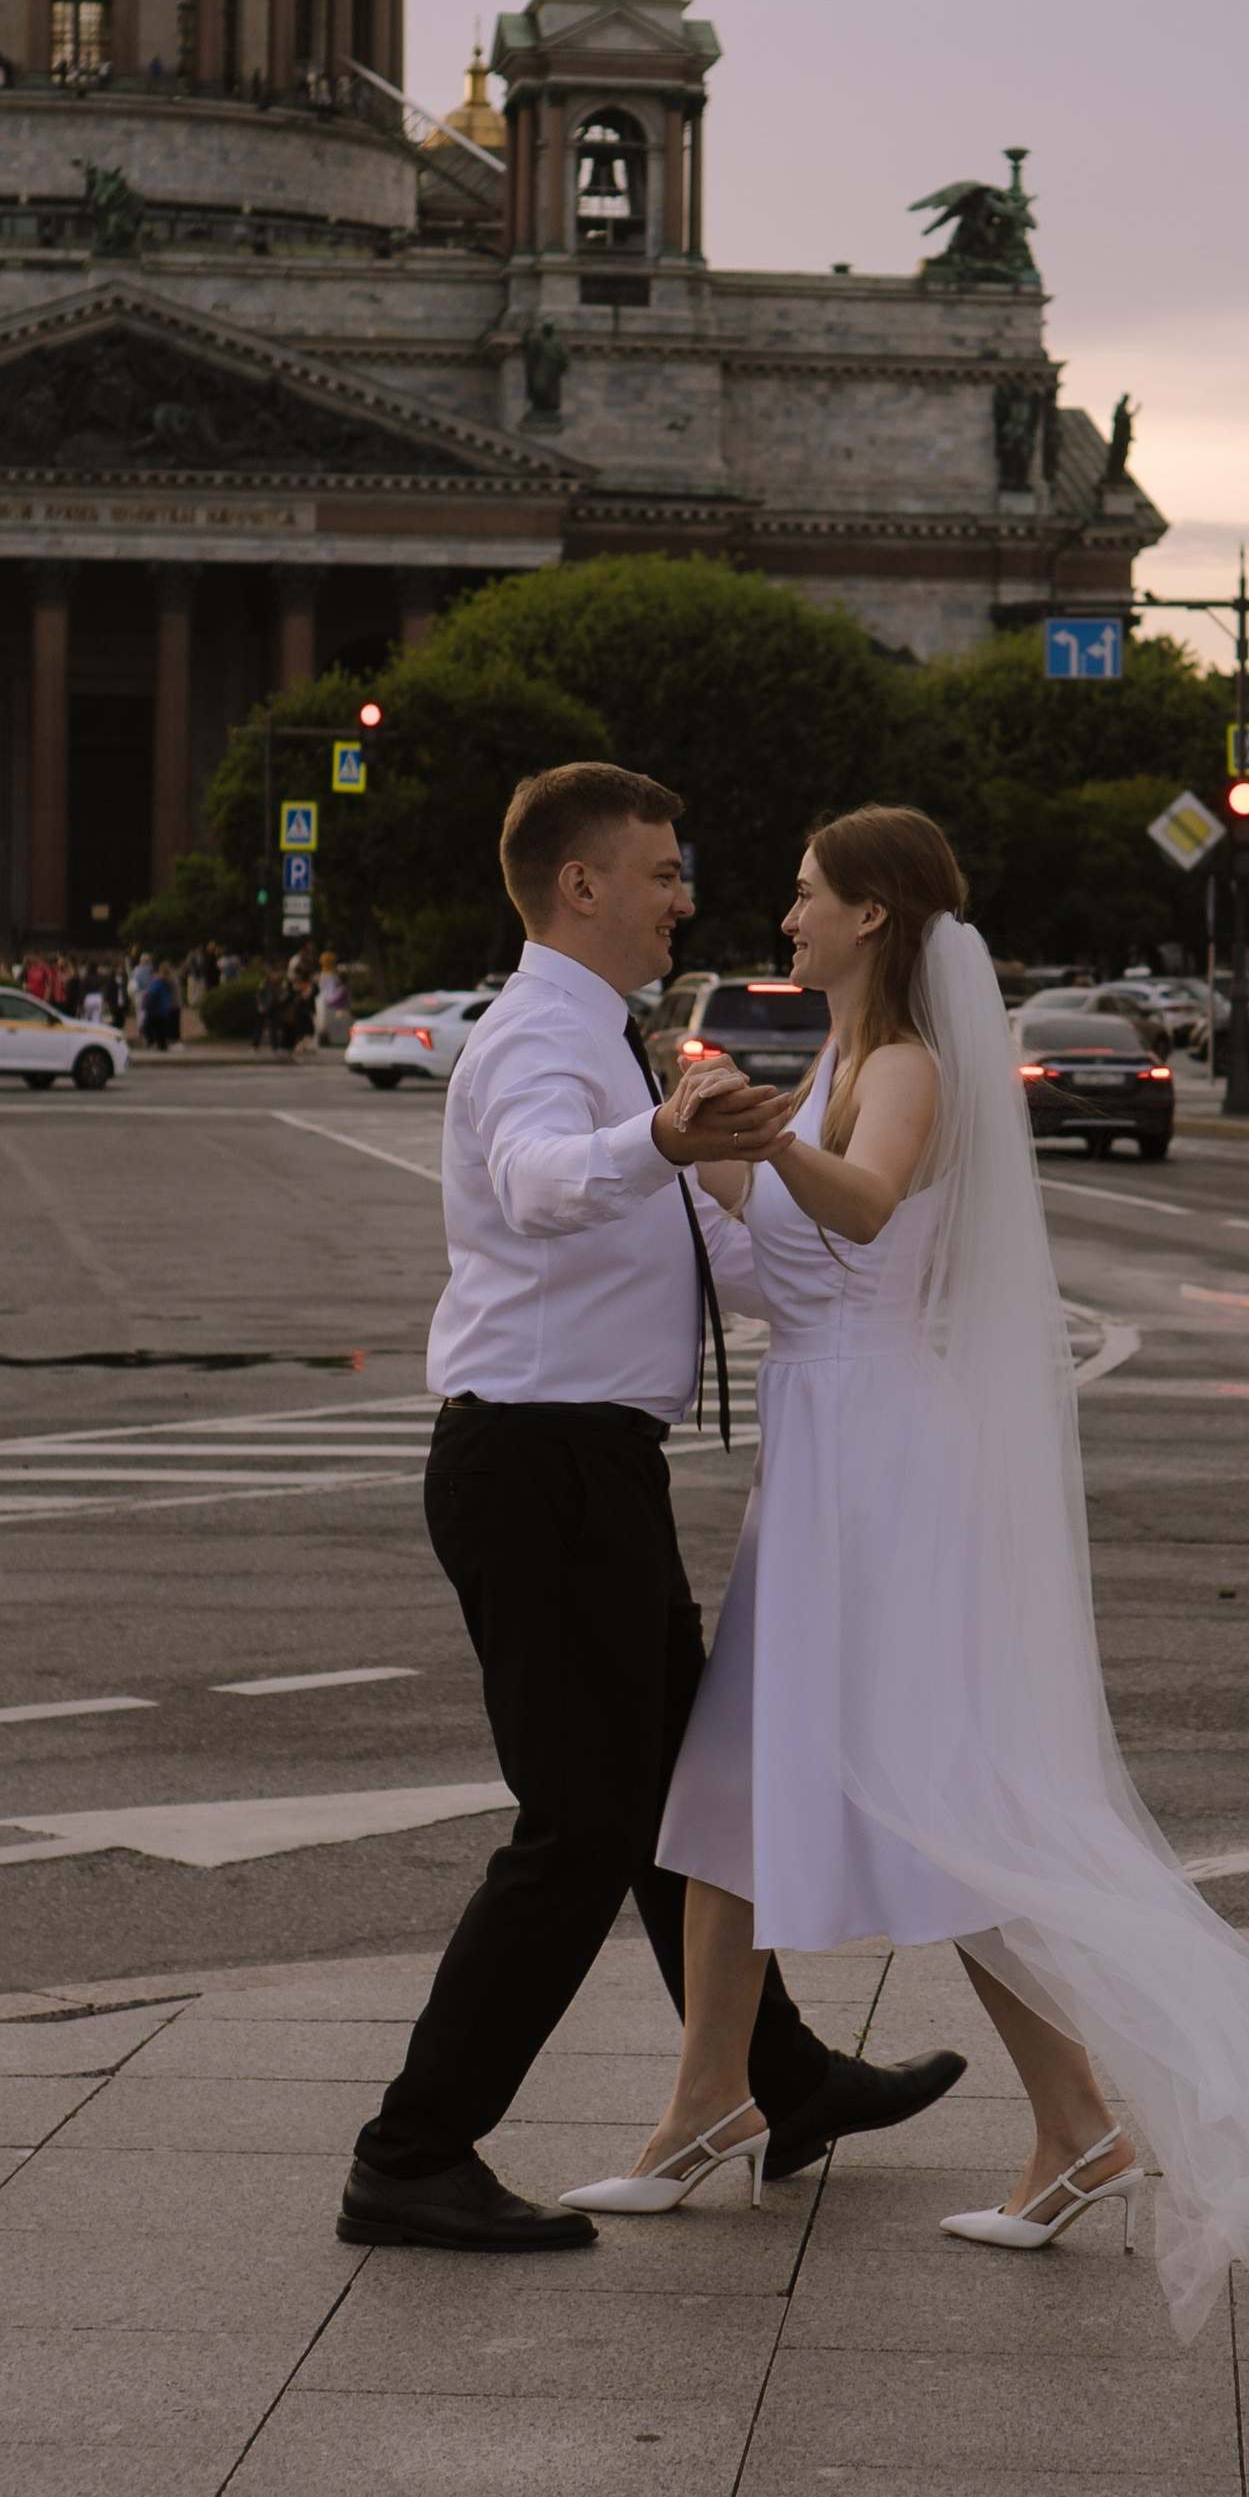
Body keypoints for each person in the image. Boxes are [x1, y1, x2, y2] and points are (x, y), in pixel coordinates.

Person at [569, 807, 1249, 2337]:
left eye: (810, 895)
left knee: (943, 1802)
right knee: (735, 1786)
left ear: (876, 916)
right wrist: (721, 1154)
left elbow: (869, 1206)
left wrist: (771, 1146)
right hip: (830, 1449)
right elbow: (787, 1262)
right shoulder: (837, 1064)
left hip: (883, 1464)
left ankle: (1078, 2122)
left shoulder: (900, 1071)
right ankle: (717, 2111)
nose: (788, 916)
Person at [342, 764, 967, 2256]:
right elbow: (544, 1181)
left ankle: (779, 2079)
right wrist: (665, 1144)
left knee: (693, 1790)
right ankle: (412, 2147)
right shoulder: (532, 1047)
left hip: (592, 1466)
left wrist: (837, 1245)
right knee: (589, 1819)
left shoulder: (618, 1046)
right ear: (582, 887)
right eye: (664, 872)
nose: (687, 895)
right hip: (535, 1464)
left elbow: (717, 1251)